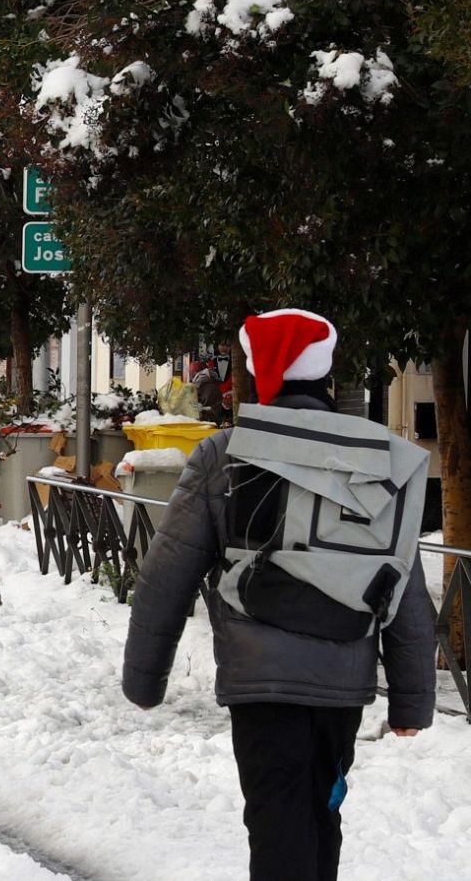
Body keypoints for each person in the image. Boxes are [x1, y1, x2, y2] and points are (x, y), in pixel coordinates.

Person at [123, 309, 436, 881]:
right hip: (343, 679)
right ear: (326, 374)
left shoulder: (226, 453)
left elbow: (167, 574)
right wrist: (411, 700)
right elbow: (403, 579)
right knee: (323, 814)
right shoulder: (376, 458)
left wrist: (145, 678)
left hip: (261, 683)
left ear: (260, 370)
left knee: (276, 824)